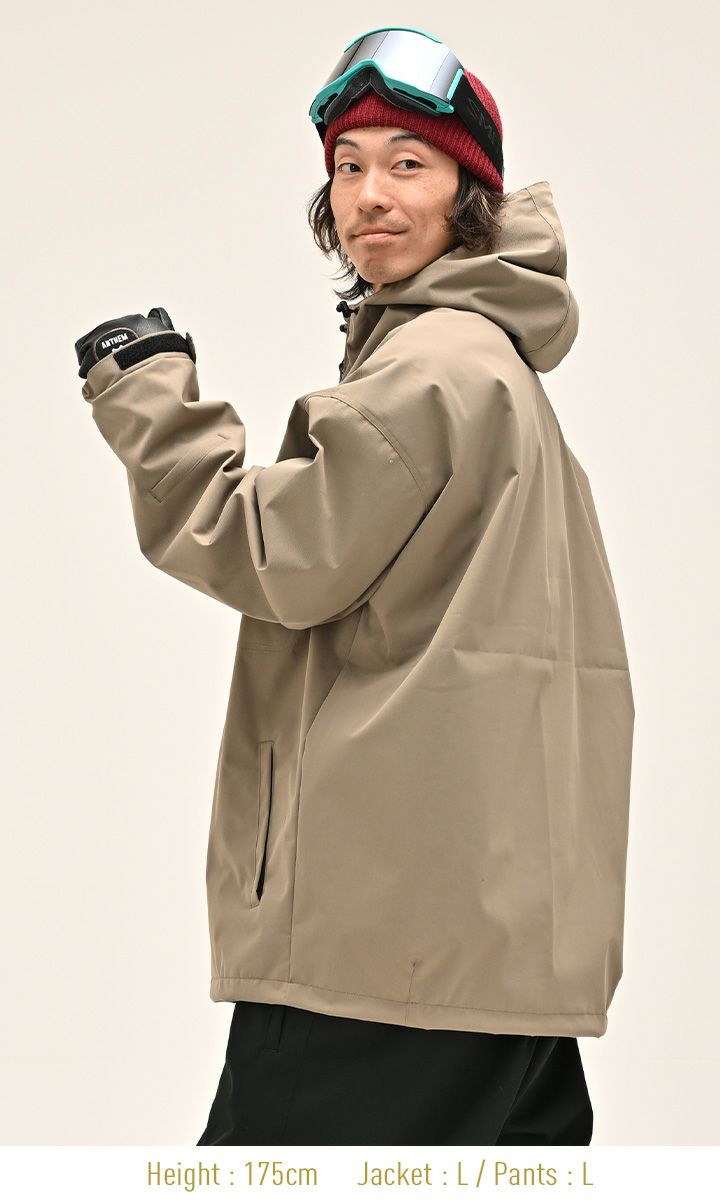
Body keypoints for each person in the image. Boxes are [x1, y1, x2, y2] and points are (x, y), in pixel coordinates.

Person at [74, 27, 634, 1146]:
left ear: (470, 196)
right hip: (503, 955)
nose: (370, 195)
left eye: (408, 164)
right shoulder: (497, 368)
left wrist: (145, 394)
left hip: (385, 959)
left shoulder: (430, 369)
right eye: (348, 166)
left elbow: (269, 553)